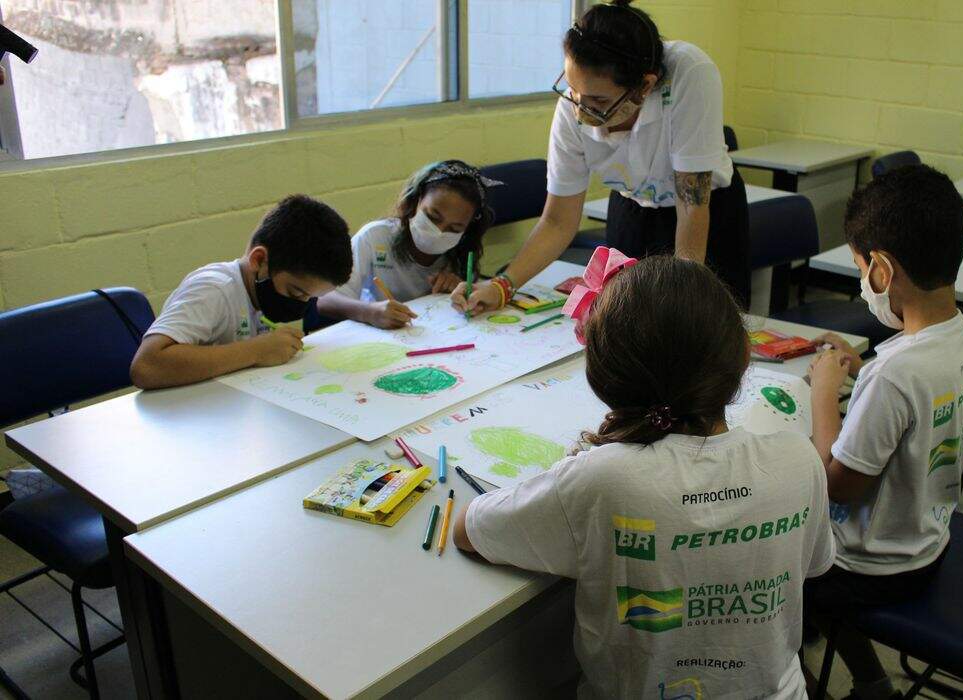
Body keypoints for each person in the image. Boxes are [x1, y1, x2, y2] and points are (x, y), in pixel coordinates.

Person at [454, 253, 834, 699]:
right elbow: (814, 564)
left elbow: (468, 529)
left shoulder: (603, 477)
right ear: (743, 357)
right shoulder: (798, 459)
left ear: (602, 375)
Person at [805, 165, 963, 700]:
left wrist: (823, 392)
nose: (863, 282)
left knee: (771, 562)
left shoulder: (895, 374)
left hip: (867, 565)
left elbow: (837, 484)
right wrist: (860, 373)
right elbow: (920, 408)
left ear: (882, 270)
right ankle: (872, 684)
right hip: (926, 540)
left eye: (861, 269)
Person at [452, 0, 749, 317]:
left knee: (700, 321)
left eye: (598, 100)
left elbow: (692, 206)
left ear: (644, 86)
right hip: (632, 206)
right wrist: (502, 285)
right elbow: (557, 221)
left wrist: (683, 298)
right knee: (625, 319)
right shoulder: (572, 109)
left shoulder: (690, 73)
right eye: (573, 90)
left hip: (703, 213)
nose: (580, 111)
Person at [130, 194, 352, 389]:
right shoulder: (214, 289)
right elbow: (146, 366)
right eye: (295, 293)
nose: (301, 304)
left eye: (310, 298)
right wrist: (257, 351)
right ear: (259, 260)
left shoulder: (260, 294)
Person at [317, 160, 498, 328]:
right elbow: (326, 300)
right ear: (414, 201)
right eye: (432, 217)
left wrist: (458, 290)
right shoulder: (375, 237)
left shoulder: (461, 250)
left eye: (455, 228)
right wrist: (369, 312)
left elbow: (467, 300)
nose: (439, 232)